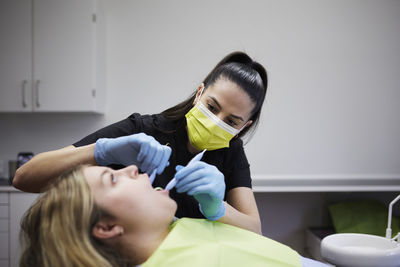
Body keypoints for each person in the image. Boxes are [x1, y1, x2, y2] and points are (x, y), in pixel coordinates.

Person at [14, 51, 267, 234]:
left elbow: (253, 228)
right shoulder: (142, 131)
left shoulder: (231, 152)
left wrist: (217, 208)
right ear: (199, 94)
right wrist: (102, 150)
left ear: (244, 127)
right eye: (211, 106)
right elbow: (24, 178)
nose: (214, 122)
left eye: (231, 122)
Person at [20, 164, 329, 267]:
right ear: (108, 226)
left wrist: (218, 208)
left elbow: (254, 242)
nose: (130, 168)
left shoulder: (174, 228)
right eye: (113, 179)